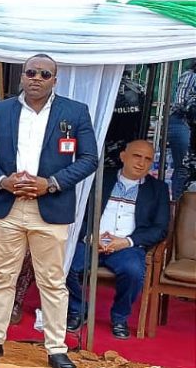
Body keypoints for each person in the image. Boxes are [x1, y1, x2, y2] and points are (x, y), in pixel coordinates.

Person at [0, 53, 98, 368]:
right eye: (31, 72)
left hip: (50, 207)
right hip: (8, 206)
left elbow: (89, 159)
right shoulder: (1, 110)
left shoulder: (74, 112)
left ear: (55, 80)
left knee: (52, 281)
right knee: (2, 275)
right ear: (22, 77)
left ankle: (55, 348)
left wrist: (49, 184)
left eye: (44, 74)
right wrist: (2, 180)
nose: (36, 78)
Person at [66, 140, 170, 339]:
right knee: (65, 263)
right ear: (123, 156)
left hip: (126, 246)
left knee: (133, 272)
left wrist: (126, 241)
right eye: (136, 156)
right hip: (91, 241)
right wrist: (90, 237)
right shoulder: (100, 179)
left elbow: (160, 228)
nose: (141, 162)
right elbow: (78, 213)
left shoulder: (158, 189)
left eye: (147, 159)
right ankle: (78, 308)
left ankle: (120, 317)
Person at [167, 61, 195, 199]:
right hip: (181, 122)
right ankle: (178, 204)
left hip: (187, 124)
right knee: (183, 167)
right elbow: (180, 102)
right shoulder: (190, 76)